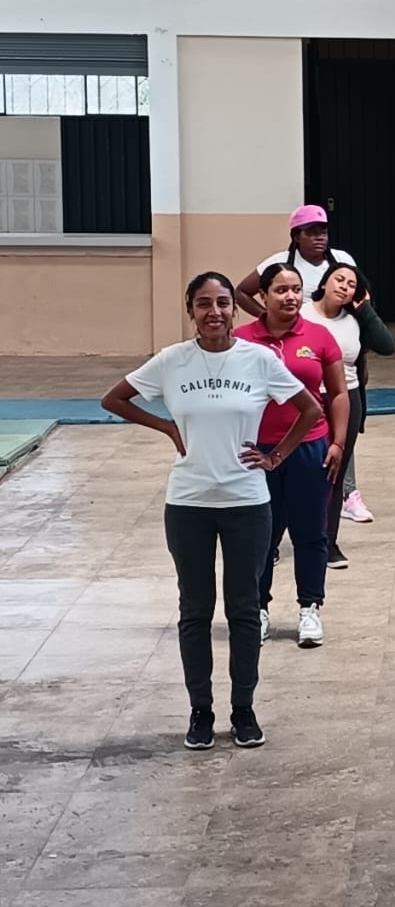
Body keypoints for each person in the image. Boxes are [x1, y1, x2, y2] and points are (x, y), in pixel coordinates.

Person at [101, 273, 321, 750]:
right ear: (190, 310)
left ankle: (243, 709)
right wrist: (166, 427)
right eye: (204, 304)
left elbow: (309, 409)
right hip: (189, 504)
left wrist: (275, 457)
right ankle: (200, 711)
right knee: (195, 611)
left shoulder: (258, 360)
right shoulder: (172, 361)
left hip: (247, 503)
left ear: (234, 309)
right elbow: (113, 399)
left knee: (243, 610)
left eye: (223, 302)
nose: (215, 312)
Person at [234, 206, 372, 524]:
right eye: (311, 232)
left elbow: (362, 301)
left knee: (336, 444)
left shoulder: (342, 260)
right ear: (296, 236)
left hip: (332, 359)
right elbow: (241, 291)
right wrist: (268, 319)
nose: (319, 237)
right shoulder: (279, 263)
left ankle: (345, 500)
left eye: (323, 231)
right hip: (297, 363)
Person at [234, 263, 348, 648]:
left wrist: (338, 443)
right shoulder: (242, 340)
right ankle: (257, 609)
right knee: (259, 535)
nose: (291, 297)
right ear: (262, 296)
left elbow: (338, 394)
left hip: (309, 448)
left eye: (296, 289)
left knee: (311, 532)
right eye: (281, 290)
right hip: (256, 452)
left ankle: (310, 608)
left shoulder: (319, 337)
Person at [301, 263, 395, 570]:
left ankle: (328, 543)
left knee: (335, 471)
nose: (344, 286)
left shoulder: (355, 319)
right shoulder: (303, 314)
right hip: (306, 398)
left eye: (351, 284)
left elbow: (387, 346)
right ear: (324, 283)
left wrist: (365, 309)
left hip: (347, 397)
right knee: (299, 469)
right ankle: (276, 539)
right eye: (339, 279)